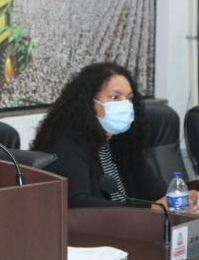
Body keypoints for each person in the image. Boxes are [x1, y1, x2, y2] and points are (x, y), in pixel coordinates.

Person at [31, 62, 199, 210]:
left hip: (133, 227)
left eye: (129, 98)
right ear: (89, 102)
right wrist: (150, 209)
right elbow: (78, 203)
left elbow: (154, 190)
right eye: (115, 97)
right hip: (95, 232)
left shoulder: (123, 140)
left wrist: (182, 197)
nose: (124, 104)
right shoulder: (67, 142)